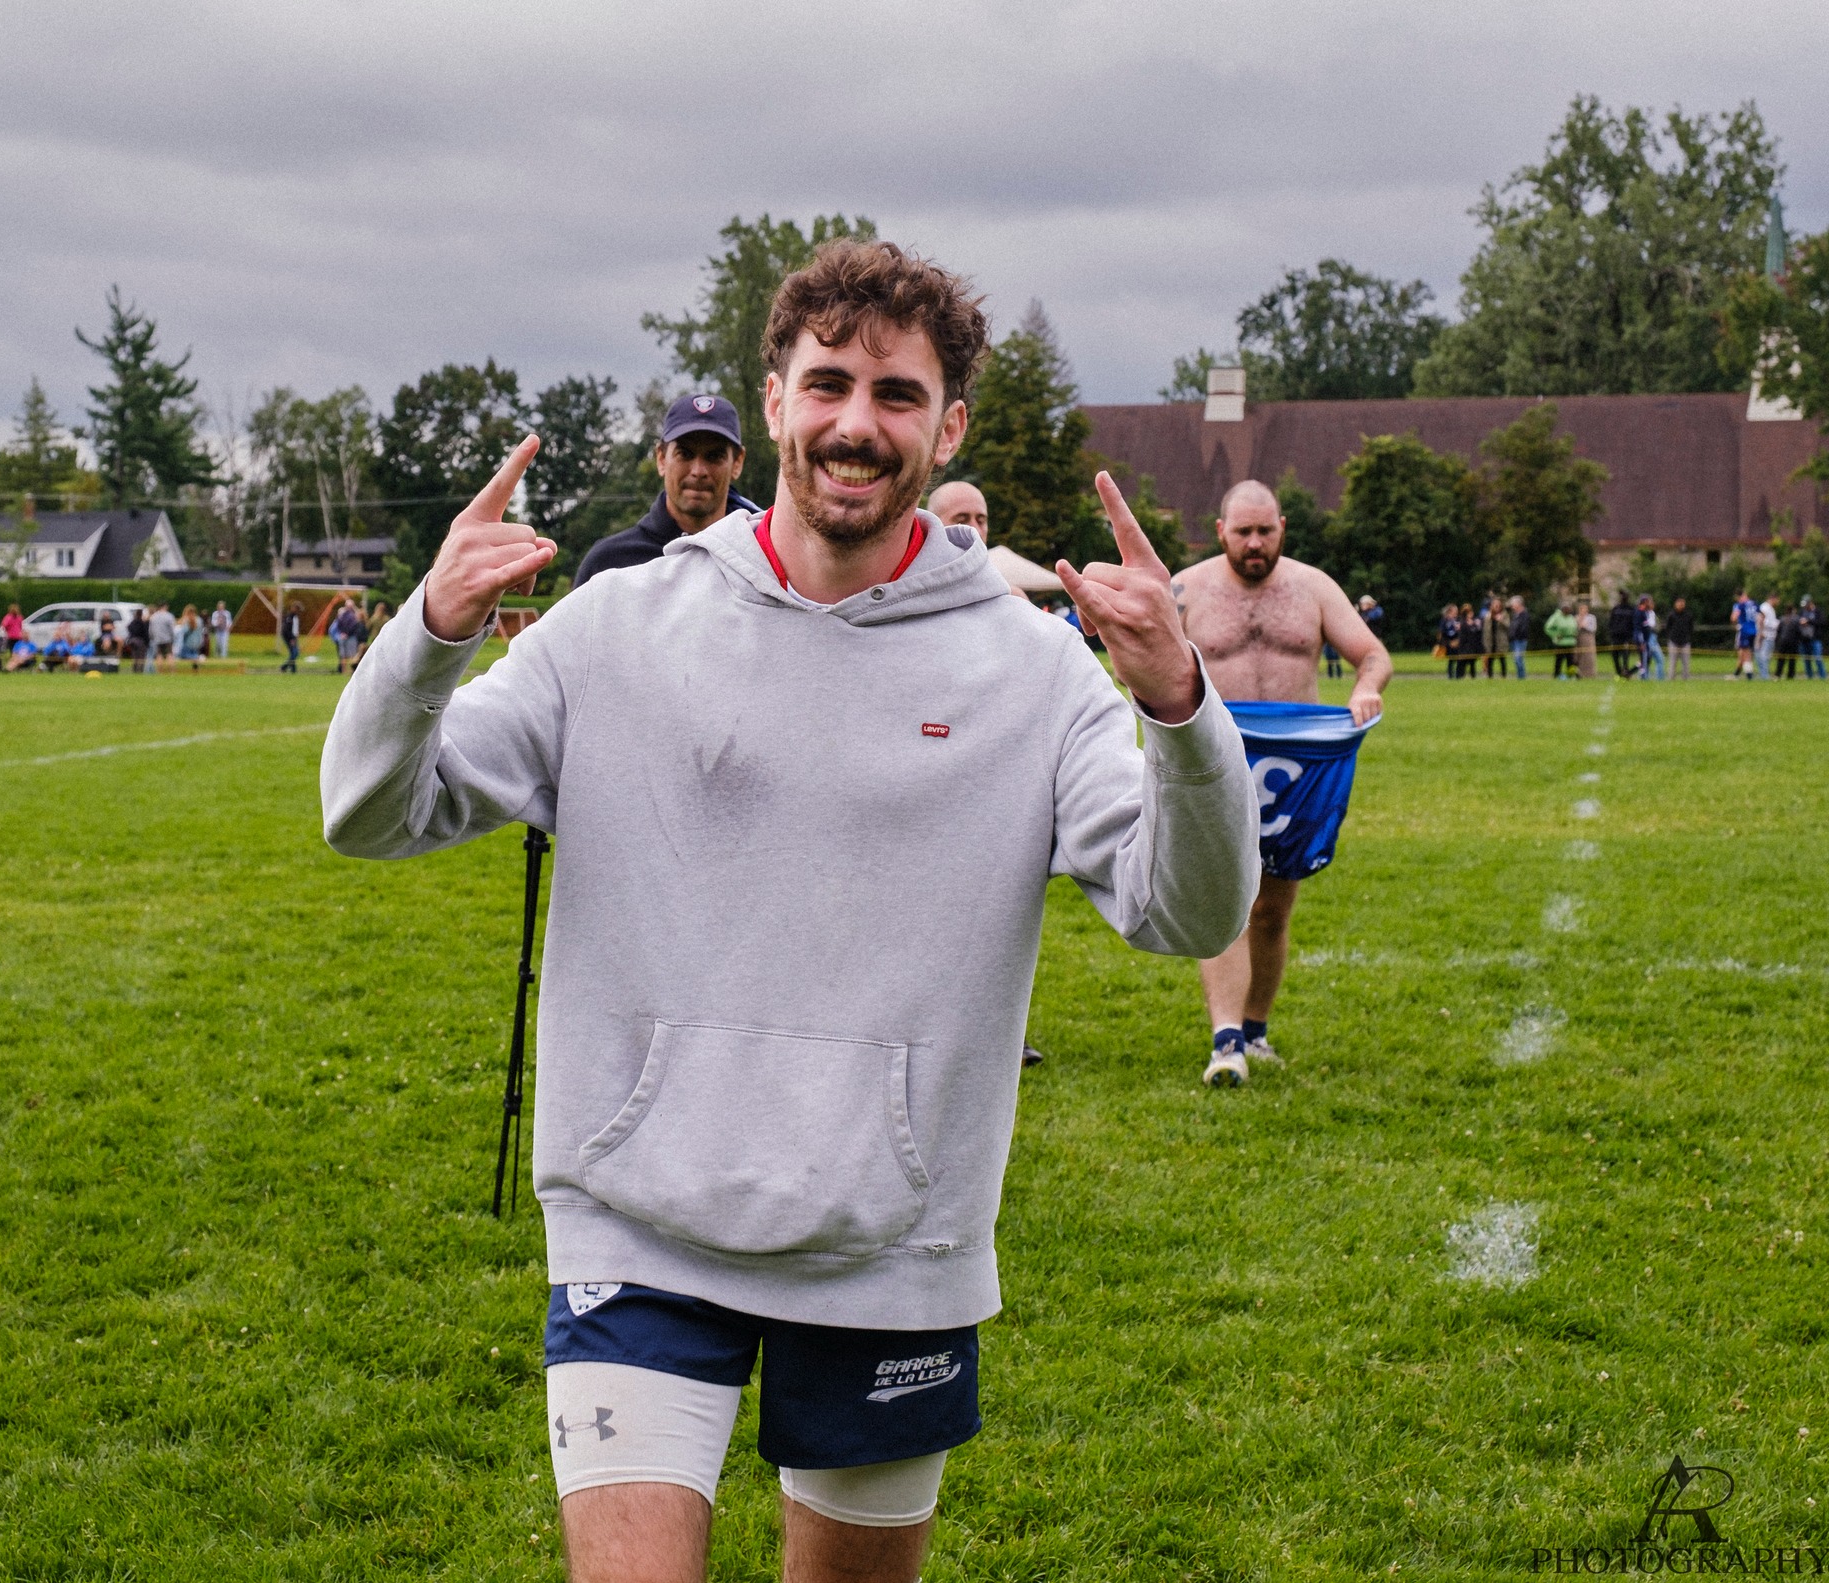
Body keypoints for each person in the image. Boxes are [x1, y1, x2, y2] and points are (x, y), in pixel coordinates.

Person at [321, 240, 1259, 1581]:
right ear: (773, 401)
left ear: (948, 426)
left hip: (895, 1245)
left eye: (896, 393)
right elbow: (367, 811)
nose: (854, 424)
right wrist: (426, 631)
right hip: (637, 1221)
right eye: (827, 384)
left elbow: (1188, 909)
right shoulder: (616, 625)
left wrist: (1176, 706)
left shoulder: (1033, 669)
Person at [1171, 477, 1391, 1089]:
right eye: (1243, 532)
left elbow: (1373, 654)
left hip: (1296, 764)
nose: (1254, 543)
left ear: (1282, 529)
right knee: (1227, 902)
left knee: (1272, 908)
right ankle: (1226, 1041)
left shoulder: (1313, 587)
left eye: (1265, 531)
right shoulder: (1185, 590)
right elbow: (1144, 662)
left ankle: (1255, 1030)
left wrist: (1366, 687)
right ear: (1221, 532)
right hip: (1217, 757)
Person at [928, 478, 1050, 1067]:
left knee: (995, 920)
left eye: (981, 518)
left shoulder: (1013, 602)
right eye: (961, 518)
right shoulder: (904, 592)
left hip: (995, 777)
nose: (974, 529)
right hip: (927, 778)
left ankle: (1006, 1033)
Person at [574, 394, 762, 586]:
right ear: (661, 458)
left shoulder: (761, 559)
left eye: (714, 456)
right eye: (685, 454)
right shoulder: (608, 563)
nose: (698, 471)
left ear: (737, 462)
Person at [1635, 594, 1665, 681]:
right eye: (1650, 602)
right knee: (1646, 660)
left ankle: (1659, 679)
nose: (1652, 604)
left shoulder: (1652, 613)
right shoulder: (1643, 613)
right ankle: (1643, 678)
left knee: (1658, 659)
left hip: (1653, 637)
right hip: (1648, 637)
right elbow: (1648, 626)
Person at [1607, 591, 1636, 679]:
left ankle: (1626, 672)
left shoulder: (1631, 609)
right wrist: (1612, 632)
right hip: (1616, 636)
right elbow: (1611, 622)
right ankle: (1619, 672)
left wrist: (1631, 636)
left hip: (1627, 637)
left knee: (1625, 656)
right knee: (1615, 655)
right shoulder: (1616, 609)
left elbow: (1633, 623)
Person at [1545, 602, 1577, 678]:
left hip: (1570, 642)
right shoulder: (1556, 617)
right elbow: (1547, 628)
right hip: (1560, 643)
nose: (1568, 610)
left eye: (1569, 609)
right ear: (1562, 609)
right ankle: (1557, 675)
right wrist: (1555, 634)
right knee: (1559, 660)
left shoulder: (1571, 617)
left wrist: (1575, 633)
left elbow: (1574, 627)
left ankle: (1570, 675)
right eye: (1566, 608)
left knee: (1571, 660)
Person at [1665, 596, 1694, 680]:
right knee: (1672, 663)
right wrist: (1671, 637)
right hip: (1673, 642)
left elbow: (1691, 628)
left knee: (1686, 663)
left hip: (1685, 642)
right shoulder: (1671, 615)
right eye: (1679, 604)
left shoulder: (1688, 615)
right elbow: (1668, 627)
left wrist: (1688, 637)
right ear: (1675, 604)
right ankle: (1671, 679)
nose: (1681, 605)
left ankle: (1685, 679)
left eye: (1682, 604)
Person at [1730, 590, 1757, 679]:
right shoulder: (1754, 604)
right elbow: (1761, 616)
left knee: (1743, 652)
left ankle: (1748, 674)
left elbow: (1734, 618)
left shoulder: (1740, 605)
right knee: (1749, 653)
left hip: (1744, 630)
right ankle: (1739, 673)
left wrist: (1736, 625)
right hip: (1754, 630)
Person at [1774, 599, 1803, 679]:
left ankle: (1778, 674)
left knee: (1781, 658)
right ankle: (1790, 675)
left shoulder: (1782, 618)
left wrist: (1778, 640)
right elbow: (1799, 631)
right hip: (1793, 641)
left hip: (1782, 641)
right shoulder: (1796, 619)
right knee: (1792, 659)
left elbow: (1778, 630)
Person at [1481, 596, 1509, 679]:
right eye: (1495, 604)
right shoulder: (1488, 615)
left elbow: (1508, 626)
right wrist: (1485, 642)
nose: (1496, 606)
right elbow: (1485, 630)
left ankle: (1504, 676)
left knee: (1502, 659)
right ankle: (1490, 677)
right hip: (1490, 641)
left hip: (1500, 641)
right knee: (1490, 660)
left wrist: (1501, 620)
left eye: (1498, 604)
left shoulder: (1504, 614)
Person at [1507, 594, 1531, 679]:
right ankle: (1519, 676)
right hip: (1514, 640)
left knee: (1518, 659)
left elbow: (1523, 628)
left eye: (1513, 604)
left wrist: (1516, 635)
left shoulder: (1524, 615)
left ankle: (1522, 677)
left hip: (1520, 640)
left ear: (1518, 604)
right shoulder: (1515, 615)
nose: (1512, 606)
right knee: (1516, 659)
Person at [1801, 596, 1826, 679]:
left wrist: (1809, 621)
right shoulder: (1802, 612)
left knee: (1818, 658)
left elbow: (1822, 622)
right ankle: (1810, 677)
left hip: (1815, 639)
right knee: (1806, 660)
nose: (1805, 607)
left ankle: (1823, 677)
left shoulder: (1818, 612)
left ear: (1810, 603)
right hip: (1805, 640)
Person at [148, 603, 176, 673]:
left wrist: (153, 637)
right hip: (167, 639)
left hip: (157, 639)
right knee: (169, 654)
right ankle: (172, 671)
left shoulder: (153, 616)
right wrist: (173, 637)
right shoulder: (169, 616)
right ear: (165, 607)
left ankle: (160, 671)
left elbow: (150, 630)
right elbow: (172, 629)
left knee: (159, 655)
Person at [1573, 600, 1597, 679]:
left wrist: (1585, 626)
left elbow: (1593, 628)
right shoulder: (1576, 617)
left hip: (1588, 638)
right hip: (1579, 638)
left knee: (1588, 656)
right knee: (1579, 656)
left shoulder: (1591, 617)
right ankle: (1579, 673)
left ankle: (1590, 673)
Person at [1437, 603, 1461, 677]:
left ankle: (1458, 675)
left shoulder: (1458, 620)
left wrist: (1458, 641)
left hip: (1458, 643)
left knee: (1459, 660)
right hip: (1449, 644)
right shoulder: (1444, 620)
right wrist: (1448, 643)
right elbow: (1441, 633)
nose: (1456, 612)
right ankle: (1450, 675)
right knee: (1451, 660)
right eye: (1455, 610)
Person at [280, 601, 302, 672]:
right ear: (293, 608)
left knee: (293, 653)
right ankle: (284, 666)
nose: (298, 611)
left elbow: (295, 627)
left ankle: (293, 669)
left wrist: (296, 635)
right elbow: (286, 629)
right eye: (297, 609)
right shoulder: (289, 617)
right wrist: (292, 639)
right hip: (289, 637)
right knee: (295, 653)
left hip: (293, 637)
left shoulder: (295, 617)